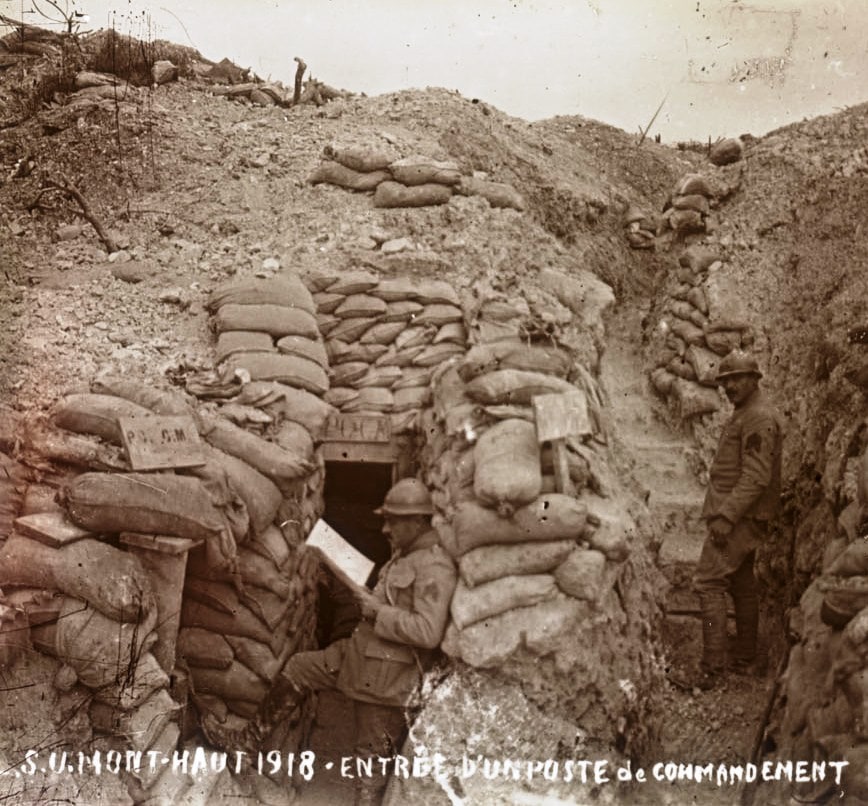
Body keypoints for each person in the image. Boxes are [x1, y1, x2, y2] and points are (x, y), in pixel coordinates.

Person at [203, 477, 457, 806]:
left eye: (393, 521)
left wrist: (378, 612)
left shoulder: (435, 566)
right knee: (300, 668)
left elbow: (428, 631)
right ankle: (247, 742)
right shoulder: (407, 554)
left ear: (418, 521)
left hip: (388, 680)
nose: (385, 529)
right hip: (362, 656)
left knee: (370, 761)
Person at [691, 350, 783, 689]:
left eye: (737, 378)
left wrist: (726, 517)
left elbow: (756, 477)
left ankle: (713, 667)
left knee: (708, 582)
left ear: (755, 379)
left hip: (738, 517)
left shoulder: (757, 417)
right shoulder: (747, 412)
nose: (730, 386)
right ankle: (746, 656)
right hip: (744, 515)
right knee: (743, 583)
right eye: (725, 380)